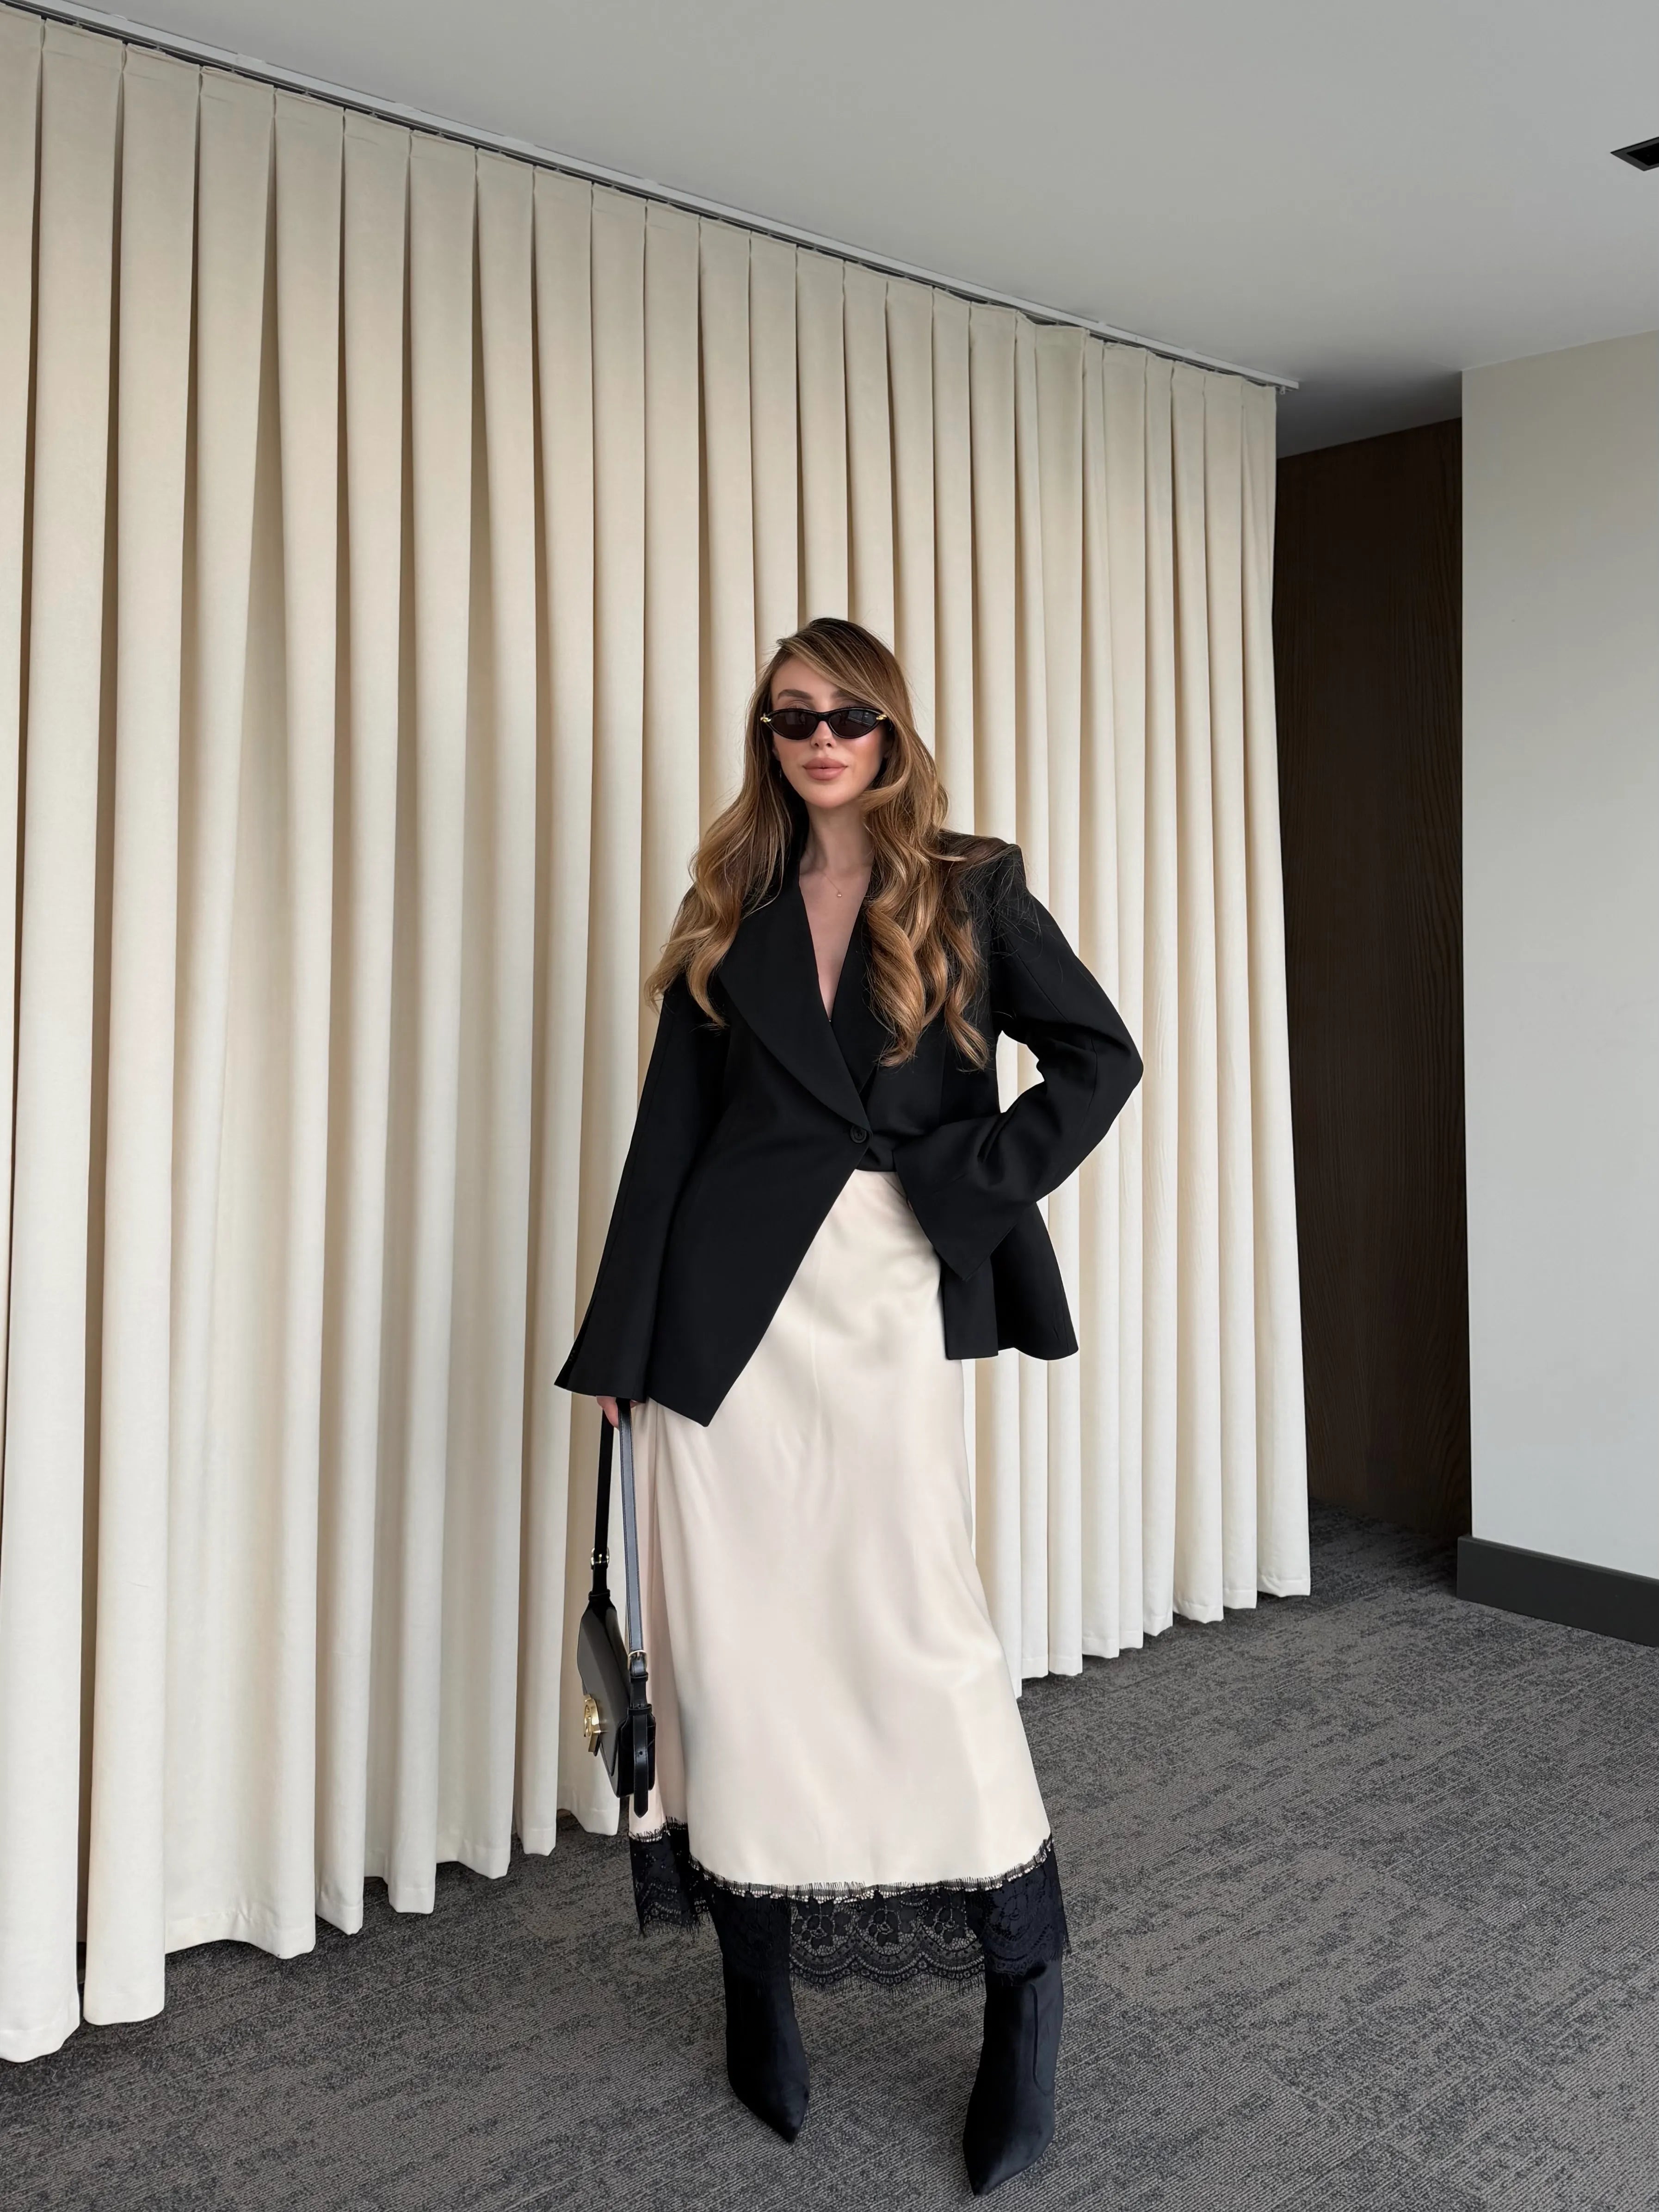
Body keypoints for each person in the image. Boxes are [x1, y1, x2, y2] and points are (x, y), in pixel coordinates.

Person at [558, 616, 1142, 2195]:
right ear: (767, 739)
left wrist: (963, 1179)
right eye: (789, 717)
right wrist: (618, 1345)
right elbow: (666, 1142)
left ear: (891, 730)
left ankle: (1023, 1986)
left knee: (915, 1633)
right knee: (737, 1656)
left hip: (883, 1296)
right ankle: (756, 1985)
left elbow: (1098, 1059)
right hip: (719, 1328)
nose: (818, 739)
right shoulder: (728, 906)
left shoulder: (969, 886)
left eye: (846, 715)